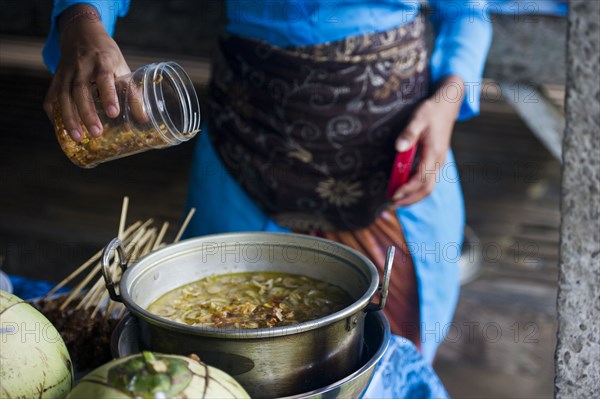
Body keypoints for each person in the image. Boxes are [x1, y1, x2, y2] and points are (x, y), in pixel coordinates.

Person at [43, 1, 491, 395]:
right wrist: (82, 19)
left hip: (396, 158)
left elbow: (467, 11)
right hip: (244, 148)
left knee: (386, 362)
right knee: (212, 366)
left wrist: (449, 101)